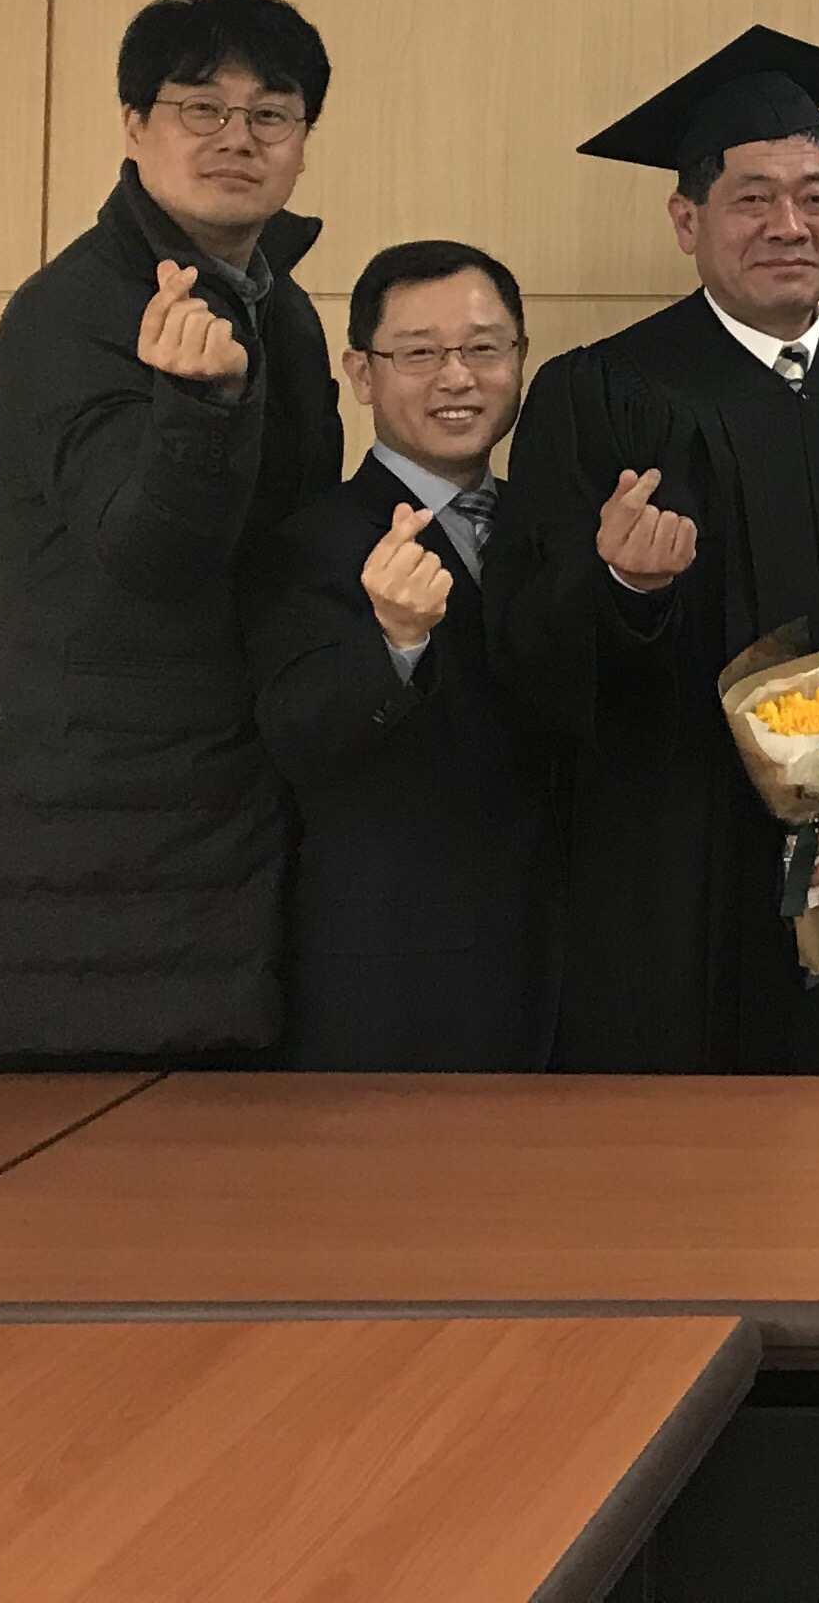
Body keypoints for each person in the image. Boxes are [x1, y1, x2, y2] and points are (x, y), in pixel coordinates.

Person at [486, 28, 819, 1077]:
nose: (788, 225)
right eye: (752, 198)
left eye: (815, 197)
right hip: (673, 857)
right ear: (688, 220)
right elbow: (526, 644)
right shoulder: (601, 393)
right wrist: (622, 586)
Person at [0, 0, 342, 1070]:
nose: (236, 138)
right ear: (133, 123)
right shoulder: (70, 310)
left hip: (246, 816)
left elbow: (293, 548)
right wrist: (199, 409)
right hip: (109, 844)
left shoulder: (280, 307)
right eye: (200, 107)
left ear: (303, 140)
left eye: (271, 114)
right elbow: (147, 556)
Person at [242, 239, 558, 1070]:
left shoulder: (554, 527)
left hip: (561, 972)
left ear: (521, 358)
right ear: (361, 372)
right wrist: (393, 638)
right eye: (419, 354)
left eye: (484, 348)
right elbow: (298, 735)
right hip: (397, 990)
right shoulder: (307, 543)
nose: (457, 378)